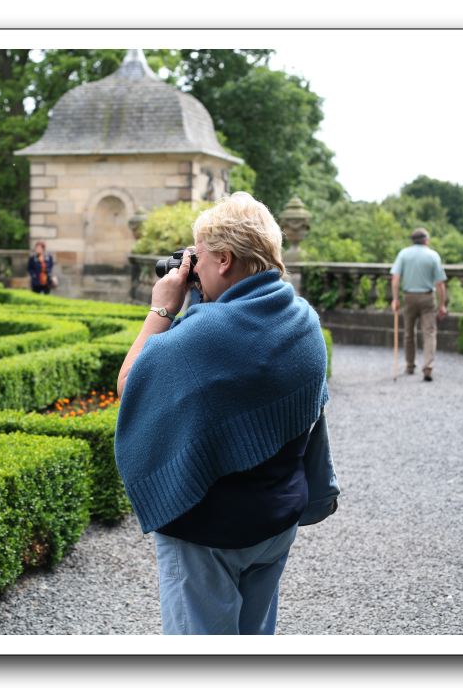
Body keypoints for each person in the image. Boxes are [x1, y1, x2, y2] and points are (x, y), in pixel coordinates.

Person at [114, 192, 332, 635]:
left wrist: (162, 307)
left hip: (210, 531)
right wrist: (201, 298)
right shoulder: (303, 318)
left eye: (201, 257)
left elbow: (130, 383)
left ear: (225, 259)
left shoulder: (208, 333)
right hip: (275, 520)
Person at [390, 227, 448, 381]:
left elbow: (395, 279)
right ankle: (428, 367)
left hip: (409, 297)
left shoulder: (403, 254)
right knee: (429, 333)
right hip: (427, 298)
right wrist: (442, 304)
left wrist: (395, 299)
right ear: (426, 240)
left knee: (409, 333)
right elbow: (440, 284)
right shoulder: (433, 255)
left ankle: (410, 365)